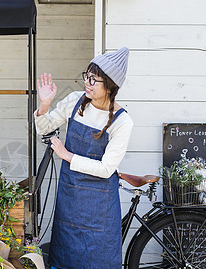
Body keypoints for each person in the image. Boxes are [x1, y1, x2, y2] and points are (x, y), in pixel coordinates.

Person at [35, 47, 134, 269]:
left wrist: (67, 155)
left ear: (110, 86)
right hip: (70, 198)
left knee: (98, 260)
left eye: (94, 80)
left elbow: (106, 168)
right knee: (65, 258)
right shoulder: (74, 102)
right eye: (86, 77)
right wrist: (44, 104)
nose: (87, 83)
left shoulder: (122, 121)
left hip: (100, 206)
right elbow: (45, 128)